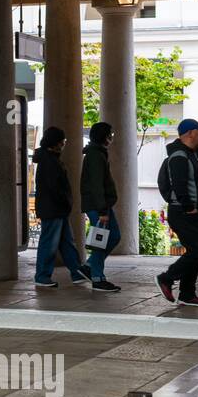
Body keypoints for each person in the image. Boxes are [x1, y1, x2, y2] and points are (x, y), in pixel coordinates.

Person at [156, 119, 198, 308]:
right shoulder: (180, 155)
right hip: (183, 212)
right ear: (190, 133)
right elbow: (179, 184)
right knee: (197, 251)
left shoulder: (191, 154)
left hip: (192, 211)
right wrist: (189, 207)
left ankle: (187, 294)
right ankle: (166, 278)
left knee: (195, 252)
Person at [33, 126, 90, 289]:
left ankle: (76, 272)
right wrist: (66, 201)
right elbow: (55, 187)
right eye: (63, 141)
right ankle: (42, 275)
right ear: (56, 143)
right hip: (53, 209)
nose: (64, 143)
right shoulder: (50, 161)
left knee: (67, 242)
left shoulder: (49, 158)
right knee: (49, 243)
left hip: (56, 208)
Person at [79, 122, 121, 292]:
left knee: (112, 237)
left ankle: (89, 267)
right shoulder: (96, 155)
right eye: (110, 134)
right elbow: (96, 184)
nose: (112, 137)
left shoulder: (98, 153)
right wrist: (102, 210)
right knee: (101, 241)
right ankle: (97, 278)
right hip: (99, 206)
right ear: (104, 136)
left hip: (101, 205)